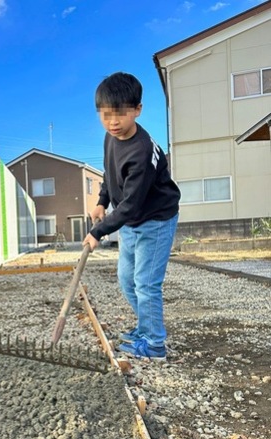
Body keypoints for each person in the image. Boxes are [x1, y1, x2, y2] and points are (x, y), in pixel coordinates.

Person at [83, 72, 180, 362]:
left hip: (156, 220)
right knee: (127, 280)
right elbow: (110, 174)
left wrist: (98, 232)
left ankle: (154, 344)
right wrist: (101, 201)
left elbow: (131, 206)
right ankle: (146, 327)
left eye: (120, 114)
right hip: (131, 222)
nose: (112, 122)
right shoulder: (110, 137)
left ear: (137, 110)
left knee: (146, 283)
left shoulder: (141, 151)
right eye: (105, 114)